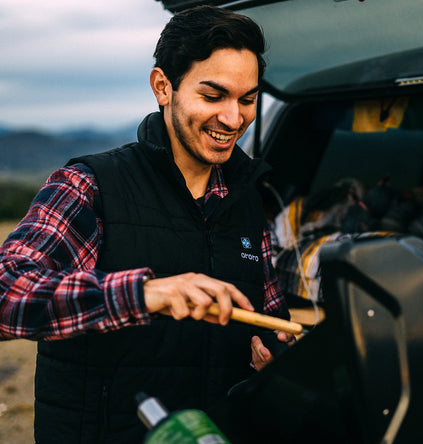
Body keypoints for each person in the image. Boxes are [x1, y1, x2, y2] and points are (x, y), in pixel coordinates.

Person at [0, 5, 293, 443]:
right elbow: (7, 292)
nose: (234, 119)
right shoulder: (91, 186)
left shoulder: (247, 200)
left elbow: (269, 321)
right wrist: (143, 293)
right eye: (213, 96)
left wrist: (281, 360)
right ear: (163, 87)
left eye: (247, 100)